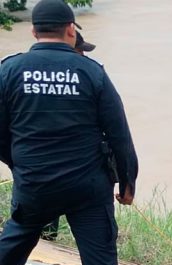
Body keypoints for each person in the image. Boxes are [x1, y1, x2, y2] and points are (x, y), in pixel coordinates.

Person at [0, 0, 138, 265]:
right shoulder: (91, 72)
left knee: (17, 237)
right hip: (87, 186)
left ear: (33, 31)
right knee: (99, 261)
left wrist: (19, 164)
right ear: (71, 29)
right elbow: (119, 132)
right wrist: (128, 180)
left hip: (35, 183)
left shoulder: (10, 71)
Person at [40, 31, 96, 242]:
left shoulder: (33, 74)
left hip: (40, 165)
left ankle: (48, 239)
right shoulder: (89, 76)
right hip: (72, 165)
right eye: (80, 50)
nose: (83, 55)